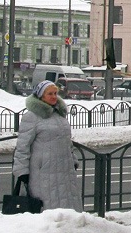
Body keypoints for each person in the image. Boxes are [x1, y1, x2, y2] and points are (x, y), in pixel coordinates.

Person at [12, 80, 82, 211]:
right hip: (43, 173)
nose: (54, 96)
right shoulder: (32, 117)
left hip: (64, 171)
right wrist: (22, 172)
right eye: (50, 93)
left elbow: (67, 142)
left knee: (66, 206)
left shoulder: (60, 116)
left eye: (55, 93)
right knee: (48, 206)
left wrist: (73, 161)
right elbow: (22, 147)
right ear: (41, 96)